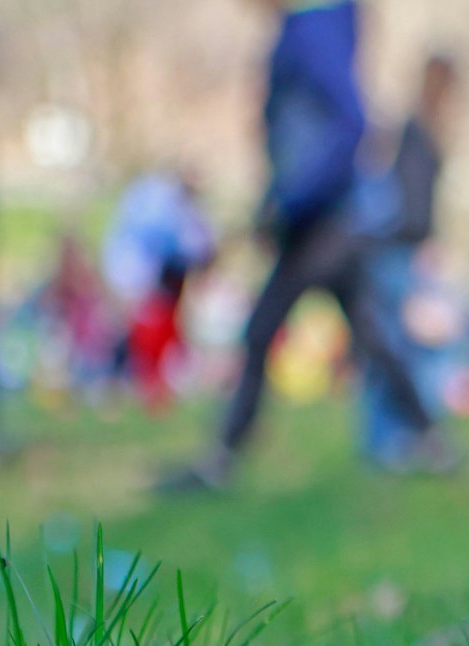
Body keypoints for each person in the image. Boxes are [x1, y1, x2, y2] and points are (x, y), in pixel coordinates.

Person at [159, 0, 449, 493]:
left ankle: (222, 455)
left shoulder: (310, 31)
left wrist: (292, 200)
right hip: (320, 216)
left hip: (318, 221)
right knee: (370, 334)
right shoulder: (308, 30)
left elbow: (346, 122)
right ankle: (431, 438)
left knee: (264, 330)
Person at [357, 51, 461, 467]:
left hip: (400, 248)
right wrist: (423, 244)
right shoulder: (415, 133)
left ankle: (397, 438)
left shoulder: (415, 132)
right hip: (398, 251)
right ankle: (388, 442)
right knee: (393, 348)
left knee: (397, 347)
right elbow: (412, 202)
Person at [102, 171, 215, 410]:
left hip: (156, 276)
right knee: (145, 332)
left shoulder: (170, 204)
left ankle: (148, 383)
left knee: (156, 331)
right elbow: (179, 243)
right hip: (147, 275)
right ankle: (133, 382)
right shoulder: (164, 204)